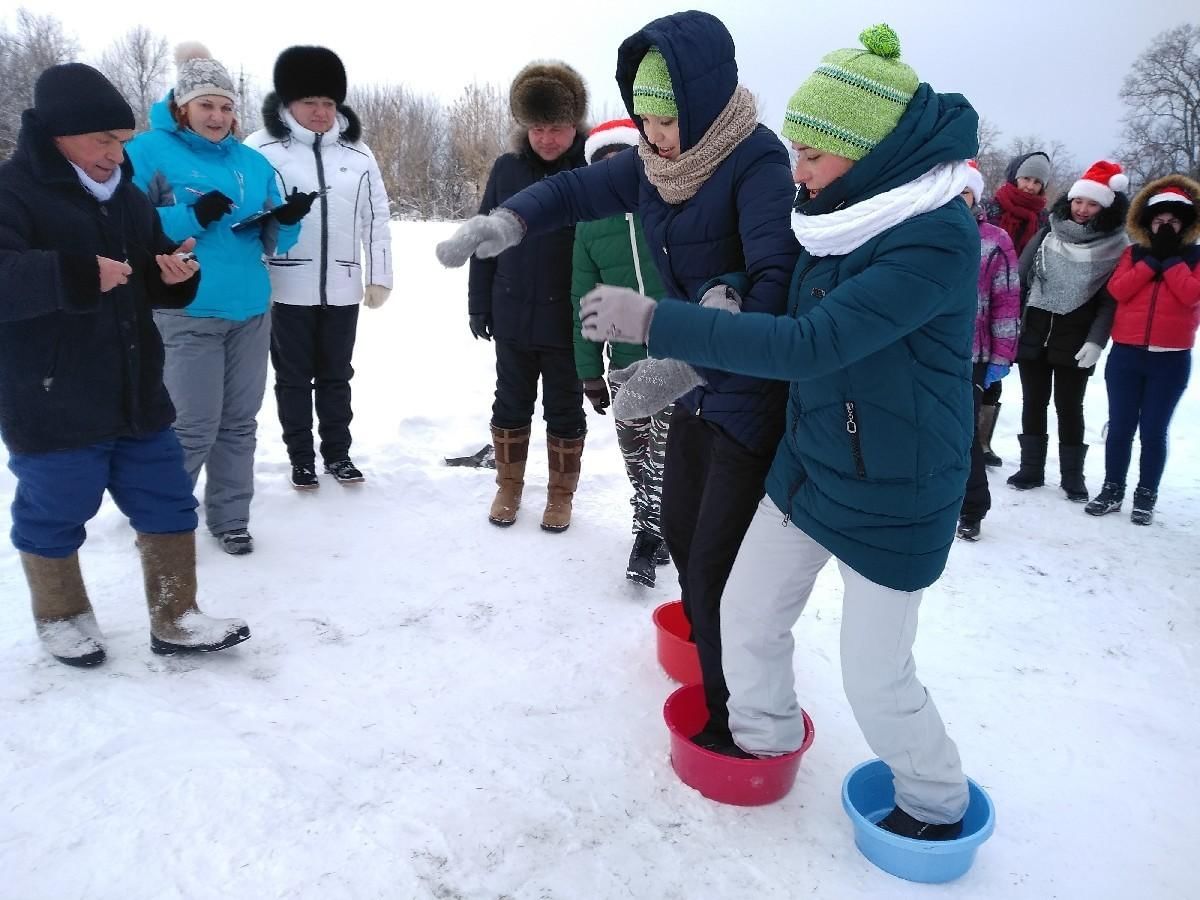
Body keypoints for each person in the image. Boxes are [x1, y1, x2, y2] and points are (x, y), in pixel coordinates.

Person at [580, 24, 977, 839]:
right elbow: (781, 289)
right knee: (746, 615)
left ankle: (938, 805)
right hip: (814, 462)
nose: (795, 172)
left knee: (877, 677)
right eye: (793, 151)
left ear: (870, 154)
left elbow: (811, 343)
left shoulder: (933, 238)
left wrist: (665, 321)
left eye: (813, 157)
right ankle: (756, 743)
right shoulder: (831, 213)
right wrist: (725, 292)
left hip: (895, 490)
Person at [437, 11, 799, 752]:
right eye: (644, 120)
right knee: (677, 528)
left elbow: (774, 284)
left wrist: (684, 351)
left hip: (749, 392)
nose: (654, 136)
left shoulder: (756, 161)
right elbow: (572, 193)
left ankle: (739, 720)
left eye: (666, 121)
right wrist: (508, 222)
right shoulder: (657, 163)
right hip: (699, 384)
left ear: (703, 103)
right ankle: (714, 667)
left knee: (716, 563)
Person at [0, 64, 251, 666]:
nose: (116, 152)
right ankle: (61, 615)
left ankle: (178, 616)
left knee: (168, 500)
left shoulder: (126, 196)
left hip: (137, 391)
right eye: (103, 140)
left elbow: (149, 268)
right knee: (56, 510)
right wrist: (75, 274)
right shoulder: (13, 191)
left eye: (119, 138)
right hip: (52, 394)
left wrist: (173, 277)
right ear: (59, 135)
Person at [126, 44, 313, 555]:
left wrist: (287, 219)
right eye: (207, 105)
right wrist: (190, 217)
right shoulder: (148, 152)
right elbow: (127, 223)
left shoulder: (251, 162)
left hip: (251, 309)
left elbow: (274, 240)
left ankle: (230, 518)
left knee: (238, 425)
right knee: (191, 426)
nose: (218, 116)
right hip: (186, 309)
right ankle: (161, 523)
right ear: (183, 106)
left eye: (227, 106)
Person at [245, 46, 393, 490]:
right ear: (288, 102)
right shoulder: (260, 150)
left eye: (328, 102)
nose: (320, 111)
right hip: (285, 287)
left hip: (343, 286)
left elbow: (377, 218)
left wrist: (379, 275)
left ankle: (338, 454)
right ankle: (301, 457)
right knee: (292, 378)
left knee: (336, 376)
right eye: (310, 101)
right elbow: (248, 221)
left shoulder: (359, 155)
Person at [453, 60, 590, 532]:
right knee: (509, 402)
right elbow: (481, 236)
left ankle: (560, 496)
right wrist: (479, 302)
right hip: (511, 312)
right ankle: (508, 487)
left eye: (557, 128)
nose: (547, 139)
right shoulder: (507, 169)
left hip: (568, 321)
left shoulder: (592, 171)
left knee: (564, 407)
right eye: (537, 128)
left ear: (575, 125)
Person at [569, 119, 671, 585]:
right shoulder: (589, 229)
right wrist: (590, 373)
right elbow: (583, 303)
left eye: (624, 163)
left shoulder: (671, 206)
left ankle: (648, 533)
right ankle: (657, 522)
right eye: (604, 168)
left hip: (677, 360)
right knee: (636, 455)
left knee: (664, 455)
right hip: (624, 366)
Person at [1007, 160, 1129, 502]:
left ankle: (1072, 476)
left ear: (1105, 208)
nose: (1082, 209)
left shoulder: (1116, 247)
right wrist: (1013, 323)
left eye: (1092, 204)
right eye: (1078, 201)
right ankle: (1031, 469)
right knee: (1033, 401)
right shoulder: (1048, 232)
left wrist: (1096, 341)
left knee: (1069, 407)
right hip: (1035, 330)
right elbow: (1020, 276)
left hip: (1076, 338)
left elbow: (1110, 301)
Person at [1086, 176, 1200, 525]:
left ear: (1185, 224)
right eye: (1159, 220)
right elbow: (1119, 290)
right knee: (1120, 427)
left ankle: (1146, 495)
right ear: (1148, 222)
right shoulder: (1132, 254)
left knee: (1153, 430)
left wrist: (1172, 261)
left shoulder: (1194, 257)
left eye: (1173, 222)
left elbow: (1191, 295)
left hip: (1171, 358)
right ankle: (1112, 488)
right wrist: (1152, 261)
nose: (1165, 226)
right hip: (1127, 354)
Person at [977, 150, 1052, 466]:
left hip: (1020, 301)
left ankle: (982, 443)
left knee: (997, 371)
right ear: (1014, 177)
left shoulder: (1044, 219)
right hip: (986, 297)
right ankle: (963, 440)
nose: (1031, 186)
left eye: (1037, 181)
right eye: (1026, 178)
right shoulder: (992, 209)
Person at [957, 161, 1019, 540]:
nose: (955, 199)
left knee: (963, 434)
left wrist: (1001, 356)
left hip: (972, 355)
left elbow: (1007, 300)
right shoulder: (920, 230)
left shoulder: (995, 240)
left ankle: (972, 507)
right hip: (926, 350)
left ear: (975, 196)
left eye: (964, 192)